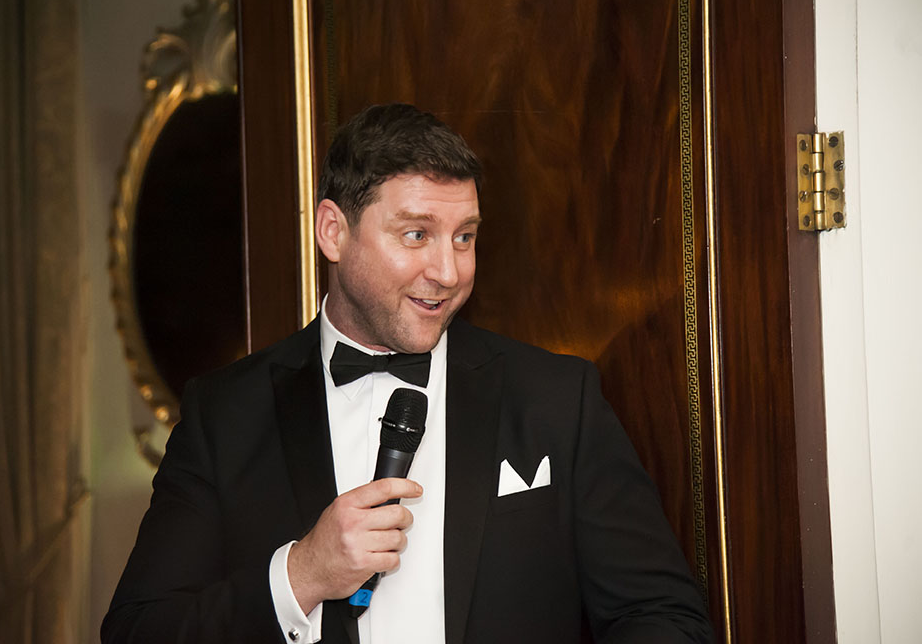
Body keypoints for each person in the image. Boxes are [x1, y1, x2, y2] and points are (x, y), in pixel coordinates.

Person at [101, 104, 713, 643]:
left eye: (464, 237)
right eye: (417, 234)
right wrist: (303, 574)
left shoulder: (557, 401)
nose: (448, 271)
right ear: (334, 232)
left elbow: (664, 616)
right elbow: (139, 630)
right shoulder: (224, 415)